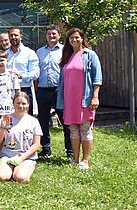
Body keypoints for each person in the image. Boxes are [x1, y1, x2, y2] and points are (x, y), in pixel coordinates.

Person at [56, 28, 102, 170]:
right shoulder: (67, 56)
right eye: (71, 38)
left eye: (77, 37)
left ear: (82, 38)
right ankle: (75, 159)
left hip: (85, 99)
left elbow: (97, 78)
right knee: (73, 130)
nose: (74, 40)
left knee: (85, 129)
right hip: (69, 101)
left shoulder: (90, 55)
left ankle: (85, 160)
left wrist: (95, 97)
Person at [35, 24, 71, 159]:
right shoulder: (39, 52)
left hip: (59, 90)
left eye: (54, 34)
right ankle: (46, 149)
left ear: (59, 35)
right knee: (43, 121)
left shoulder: (65, 50)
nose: (51, 36)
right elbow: (37, 72)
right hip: (43, 91)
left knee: (65, 121)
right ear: (46, 36)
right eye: (49, 34)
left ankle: (70, 150)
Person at [0, 92, 42, 183]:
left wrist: (21, 158)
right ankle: (9, 169)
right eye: (18, 103)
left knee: (21, 178)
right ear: (13, 103)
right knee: (1, 177)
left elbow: (36, 144)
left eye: (23, 103)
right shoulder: (6, 118)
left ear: (28, 104)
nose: (21, 106)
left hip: (26, 157)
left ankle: (20, 169)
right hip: (8, 155)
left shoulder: (33, 121)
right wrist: (2, 128)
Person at [7, 26, 40, 115]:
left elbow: (36, 73)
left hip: (24, 89)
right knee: (9, 120)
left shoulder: (29, 53)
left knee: (25, 119)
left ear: (21, 37)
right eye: (11, 35)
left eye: (15, 35)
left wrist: (20, 75)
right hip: (8, 91)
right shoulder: (5, 54)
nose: (13, 37)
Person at [0, 50, 20, 116]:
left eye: (2, 60)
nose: (0, 63)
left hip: (10, 110)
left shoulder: (12, 75)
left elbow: (18, 92)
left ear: (7, 61)